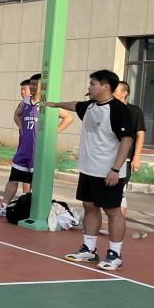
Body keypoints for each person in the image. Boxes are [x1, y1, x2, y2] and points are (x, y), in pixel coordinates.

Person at [45, 69, 136, 271]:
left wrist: (115, 169)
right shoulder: (90, 106)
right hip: (88, 169)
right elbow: (75, 105)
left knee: (113, 211)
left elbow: (127, 141)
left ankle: (115, 254)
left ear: (105, 86)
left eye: (93, 84)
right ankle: (89, 249)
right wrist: (55, 104)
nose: (89, 87)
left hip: (108, 171)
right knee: (89, 207)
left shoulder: (119, 110)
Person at [0, 73, 72, 217]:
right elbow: (16, 115)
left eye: (35, 84)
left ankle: (32, 209)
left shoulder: (48, 103)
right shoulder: (25, 102)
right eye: (31, 84)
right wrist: (21, 127)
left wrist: (53, 133)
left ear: (43, 86)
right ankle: (3, 206)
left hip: (39, 151)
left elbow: (68, 118)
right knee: (13, 179)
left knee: (37, 182)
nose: (33, 87)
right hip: (24, 150)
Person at [110, 80, 146, 224]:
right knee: (107, 193)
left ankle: (118, 225)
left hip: (125, 158)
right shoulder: (108, 108)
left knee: (120, 191)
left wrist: (137, 156)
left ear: (124, 93)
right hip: (107, 156)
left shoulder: (135, 111)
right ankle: (112, 224)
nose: (112, 93)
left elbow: (140, 134)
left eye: (115, 91)